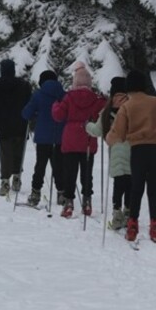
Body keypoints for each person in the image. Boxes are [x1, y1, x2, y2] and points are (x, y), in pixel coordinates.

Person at [106, 70, 156, 243]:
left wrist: (109, 139)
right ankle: (155, 226)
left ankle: (132, 224)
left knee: (137, 188)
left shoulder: (128, 106)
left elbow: (118, 133)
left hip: (139, 149)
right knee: (154, 189)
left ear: (129, 88)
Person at [51, 61, 106, 218]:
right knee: (87, 173)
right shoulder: (95, 98)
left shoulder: (68, 97)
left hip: (70, 140)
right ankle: (87, 201)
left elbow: (58, 115)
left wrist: (56, 104)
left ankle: (69, 203)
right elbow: (102, 111)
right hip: (88, 138)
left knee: (70, 172)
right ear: (89, 83)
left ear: (75, 82)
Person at [0, 58, 33, 195]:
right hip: (21, 122)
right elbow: (31, 101)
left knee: (5, 153)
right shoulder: (24, 84)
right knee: (19, 151)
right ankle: (17, 177)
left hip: (4, 123)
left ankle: (5, 181)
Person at [86, 76, 130, 229]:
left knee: (119, 184)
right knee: (131, 184)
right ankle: (128, 213)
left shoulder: (107, 110)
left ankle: (117, 213)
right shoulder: (132, 106)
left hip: (116, 151)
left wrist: (87, 125)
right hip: (133, 150)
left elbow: (97, 131)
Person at [20, 70, 65, 206]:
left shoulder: (38, 95)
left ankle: (35, 192)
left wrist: (36, 115)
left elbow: (26, 113)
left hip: (43, 136)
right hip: (59, 136)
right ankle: (62, 193)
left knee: (40, 165)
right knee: (59, 166)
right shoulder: (64, 95)